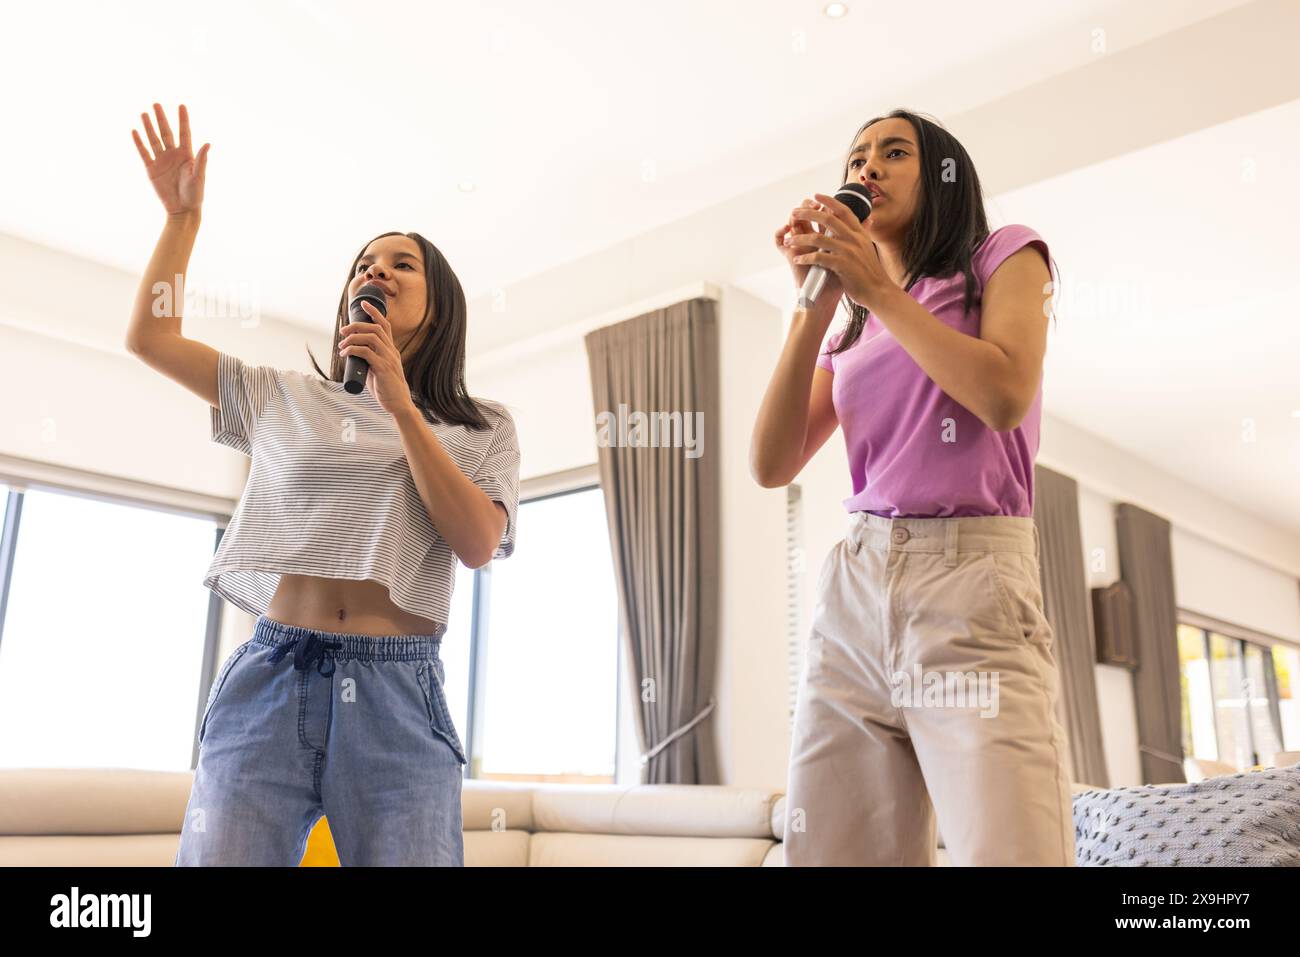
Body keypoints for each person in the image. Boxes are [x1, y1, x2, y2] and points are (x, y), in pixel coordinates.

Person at [125, 103, 520, 866]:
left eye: (401, 264)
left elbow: (477, 543)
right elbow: (151, 338)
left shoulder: (482, 427)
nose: (376, 272)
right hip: (271, 677)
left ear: (438, 311)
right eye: (365, 265)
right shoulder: (281, 395)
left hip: (396, 695)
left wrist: (401, 406)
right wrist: (181, 220)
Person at [751, 109, 1073, 866]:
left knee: (1013, 850)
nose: (868, 167)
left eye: (894, 152)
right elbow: (771, 462)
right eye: (858, 156)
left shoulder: (1003, 256)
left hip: (973, 588)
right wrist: (818, 304)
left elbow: (1002, 396)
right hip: (856, 593)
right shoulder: (851, 323)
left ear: (944, 175)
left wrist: (880, 291)